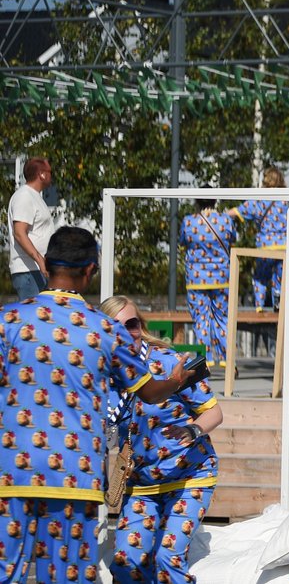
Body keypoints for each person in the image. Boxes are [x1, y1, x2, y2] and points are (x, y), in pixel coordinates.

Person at [0, 226, 188, 584]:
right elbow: (149, 393)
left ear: (45, 266)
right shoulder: (105, 330)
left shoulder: (7, 320)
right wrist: (176, 380)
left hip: (11, 472)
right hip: (74, 475)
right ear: (89, 271)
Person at [100, 297, 223, 584]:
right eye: (115, 326)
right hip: (142, 483)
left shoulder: (168, 363)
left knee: (167, 559)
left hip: (189, 477)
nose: (125, 333)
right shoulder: (103, 376)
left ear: (141, 326)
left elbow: (214, 412)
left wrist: (192, 430)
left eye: (131, 324)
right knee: (127, 563)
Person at [178, 196, 238, 367]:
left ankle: (206, 358)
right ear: (214, 202)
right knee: (223, 318)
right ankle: (226, 358)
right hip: (222, 277)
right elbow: (233, 239)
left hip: (196, 279)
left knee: (201, 319)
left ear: (197, 202)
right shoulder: (226, 220)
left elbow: (182, 242)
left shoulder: (188, 221)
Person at [229, 167, 289, 312]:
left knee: (260, 277)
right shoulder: (286, 199)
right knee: (280, 278)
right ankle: (279, 307)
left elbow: (236, 212)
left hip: (265, 247)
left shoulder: (259, 199)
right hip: (284, 246)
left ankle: (259, 306)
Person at [7, 157, 56, 300]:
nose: (52, 175)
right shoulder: (24, 196)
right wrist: (40, 260)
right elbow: (19, 233)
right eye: (50, 172)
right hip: (29, 271)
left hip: (36, 270)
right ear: (42, 174)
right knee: (34, 313)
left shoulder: (34, 196)